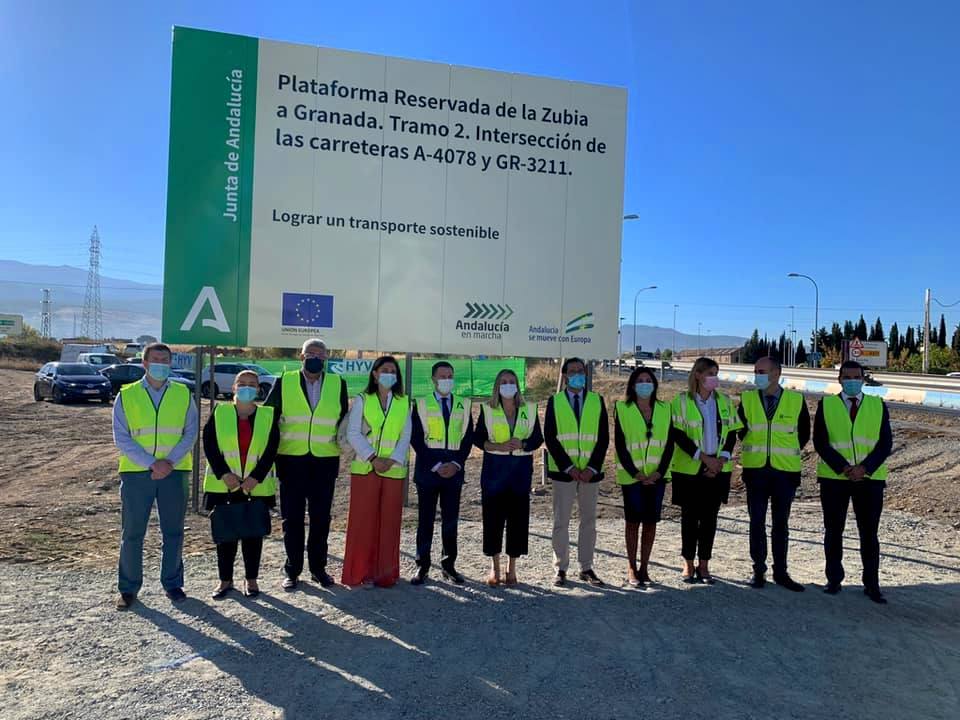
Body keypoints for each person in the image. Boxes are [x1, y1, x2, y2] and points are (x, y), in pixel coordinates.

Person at [113, 342, 198, 609]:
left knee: (173, 532)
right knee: (132, 533)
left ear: (170, 363)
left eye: (165, 359)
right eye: (155, 359)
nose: (161, 363)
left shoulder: (184, 393)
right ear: (145, 363)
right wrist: (152, 463)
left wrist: (169, 462)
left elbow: (190, 432)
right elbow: (121, 437)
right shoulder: (126, 395)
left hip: (175, 472)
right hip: (138, 473)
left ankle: (172, 583)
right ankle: (128, 588)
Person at [264, 338, 348, 590]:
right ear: (301, 357)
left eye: (321, 355)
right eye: (311, 354)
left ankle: (318, 568)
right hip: (291, 460)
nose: (316, 358)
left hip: (325, 460)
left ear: (326, 359)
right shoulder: (284, 381)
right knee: (292, 518)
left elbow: (343, 419)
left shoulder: (337, 383)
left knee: (321, 518)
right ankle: (293, 570)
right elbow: (269, 417)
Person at [814, 360, 893, 604]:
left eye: (855, 376)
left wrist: (865, 468)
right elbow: (821, 442)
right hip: (835, 479)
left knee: (869, 534)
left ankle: (871, 584)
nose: (851, 381)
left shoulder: (877, 405)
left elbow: (885, 443)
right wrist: (844, 468)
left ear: (863, 379)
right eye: (846, 376)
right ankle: (834, 580)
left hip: (869, 480)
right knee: (833, 531)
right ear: (839, 379)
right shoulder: (826, 404)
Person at [203, 370, 280, 599]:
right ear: (234, 387)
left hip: (256, 485)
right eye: (242, 383)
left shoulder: (268, 415)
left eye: (252, 384)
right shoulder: (220, 412)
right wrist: (224, 474)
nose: (247, 387)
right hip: (224, 485)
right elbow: (210, 445)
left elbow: (271, 450)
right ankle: (225, 580)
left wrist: (255, 477)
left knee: (252, 534)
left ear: (258, 389)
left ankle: (251, 580)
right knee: (226, 535)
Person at [737, 356, 810, 591]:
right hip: (756, 470)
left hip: (784, 473)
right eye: (756, 371)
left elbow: (803, 435)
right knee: (756, 522)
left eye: (762, 371)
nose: (757, 374)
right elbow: (740, 431)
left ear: (777, 373)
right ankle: (758, 570)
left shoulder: (795, 400)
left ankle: (781, 572)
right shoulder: (747, 399)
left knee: (781, 524)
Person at [342, 356, 413, 588]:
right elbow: (353, 433)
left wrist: (392, 460)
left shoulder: (404, 402)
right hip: (365, 468)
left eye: (393, 371)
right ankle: (358, 572)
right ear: (374, 374)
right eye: (385, 370)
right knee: (362, 522)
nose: (389, 374)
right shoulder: (363, 399)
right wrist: (373, 458)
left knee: (389, 524)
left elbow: (405, 435)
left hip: (393, 470)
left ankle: (385, 574)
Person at [669, 357, 742, 584]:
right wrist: (703, 459)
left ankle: (704, 564)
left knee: (710, 518)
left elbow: (731, 432)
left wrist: (721, 459)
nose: (714, 378)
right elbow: (677, 434)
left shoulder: (724, 401)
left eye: (716, 373)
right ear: (698, 375)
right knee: (690, 518)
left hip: (718, 470)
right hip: (690, 470)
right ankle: (688, 563)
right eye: (711, 373)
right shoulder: (681, 401)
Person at [473, 369, 543, 586]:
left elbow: (537, 439)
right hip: (495, 470)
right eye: (503, 381)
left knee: (517, 521)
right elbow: (478, 439)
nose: (508, 385)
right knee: (493, 520)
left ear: (517, 385)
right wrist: (498, 446)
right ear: (497, 386)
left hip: (520, 471)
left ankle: (511, 569)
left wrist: (523, 444)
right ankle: (494, 569)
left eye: (511, 381)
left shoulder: (529, 410)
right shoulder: (488, 410)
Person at [543, 358, 609, 587]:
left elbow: (603, 438)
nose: (578, 375)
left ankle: (586, 567)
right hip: (565, 473)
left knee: (588, 521)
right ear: (564, 375)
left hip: (590, 474)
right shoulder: (555, 401)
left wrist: (591, 468)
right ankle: (560, 568)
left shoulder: (597, 401)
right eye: (573, 371)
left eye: (581, 371)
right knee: (561, 521)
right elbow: (550, 437)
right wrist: (569, 467)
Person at [409, 361, 474, 585]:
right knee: (425, 520)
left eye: (450, 376)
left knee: (450, 521)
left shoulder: (464, 404)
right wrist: (437, 465)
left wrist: (455, 464)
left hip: (454, 471)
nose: (447, 380)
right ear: (433, 380)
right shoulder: (421, 404)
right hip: (429, 470)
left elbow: (467, 438)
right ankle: (422, 566)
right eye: (442, 376)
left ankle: (449, 566)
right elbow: (416, 438)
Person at [614, 366, 674, 586]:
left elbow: (669, 444)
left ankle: (644, 567)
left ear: (654, 384)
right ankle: (631, 566)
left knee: (650, 522)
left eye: (648, 380)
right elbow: (620, 445)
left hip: (657, 477)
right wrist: (636, 473)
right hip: (633, 478)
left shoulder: (665, 409)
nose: (644, 383)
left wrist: (658, 472)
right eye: (640, 380)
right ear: (632, 384)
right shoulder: (622, 408)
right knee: (632, 522)